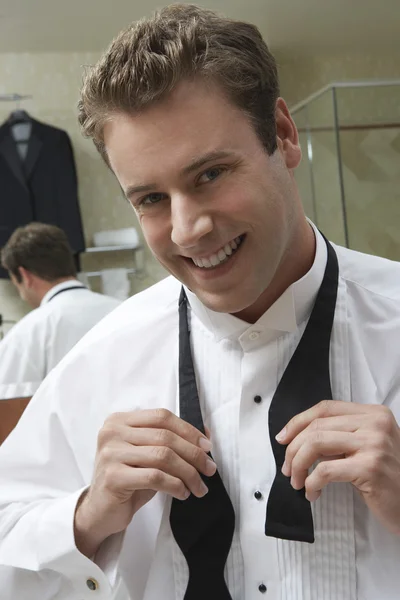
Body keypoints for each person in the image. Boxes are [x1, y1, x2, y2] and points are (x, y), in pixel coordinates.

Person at [0, 4, 399, 599]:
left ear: (284, 135)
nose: (187, 230)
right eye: (151, 199)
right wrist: (85, 517)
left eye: (210, 174)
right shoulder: (104, 358)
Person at [0, 222, 120, 440]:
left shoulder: (27, 333)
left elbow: (8, 418)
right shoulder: (125, 311)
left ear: (24, 276)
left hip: (67, 460)